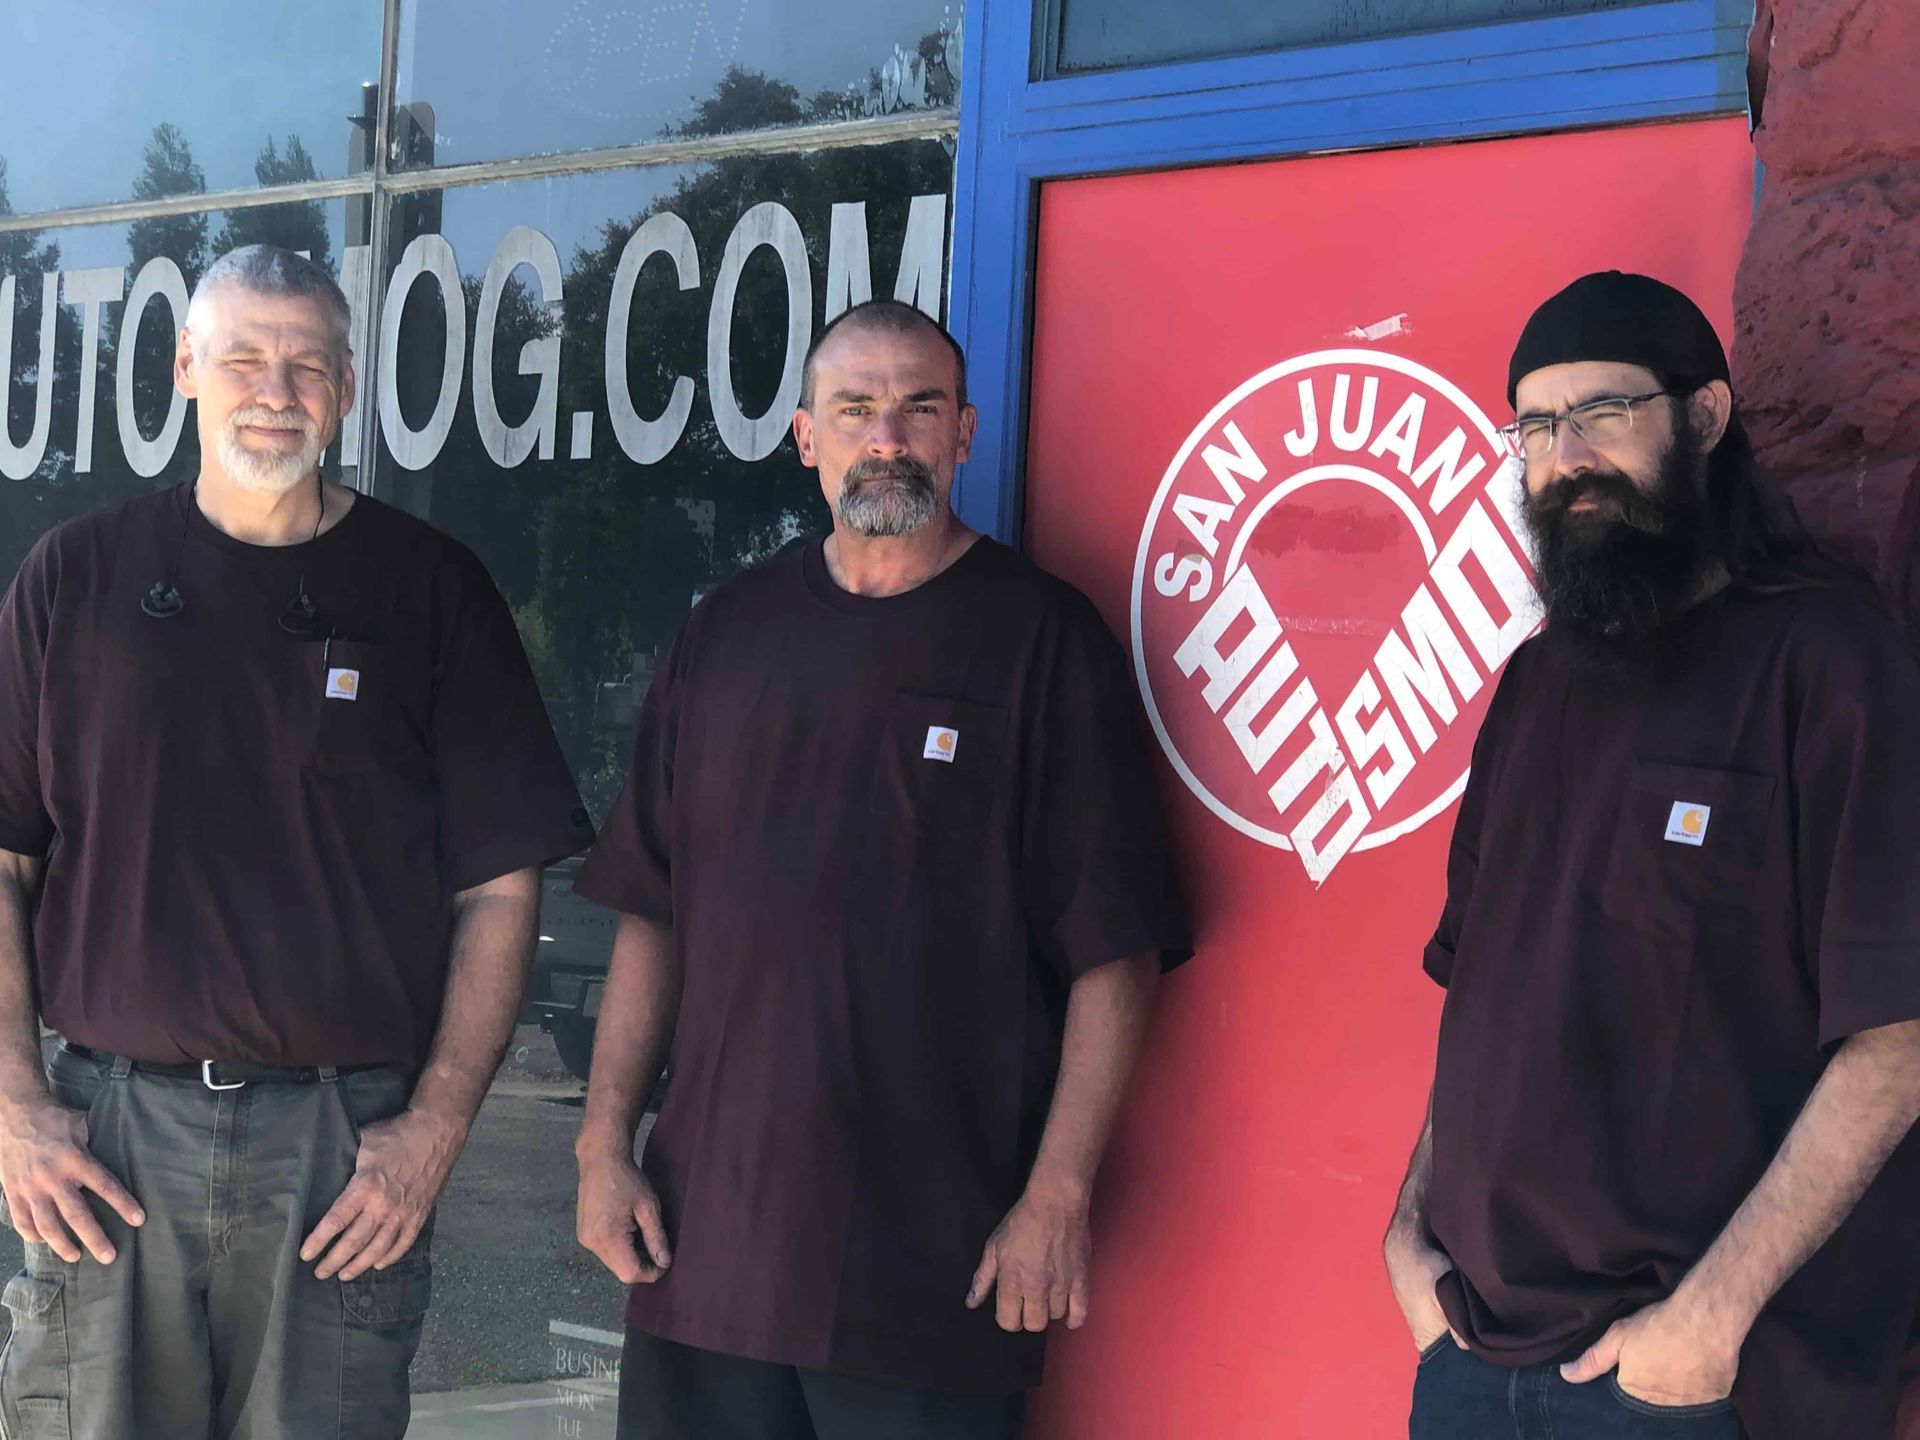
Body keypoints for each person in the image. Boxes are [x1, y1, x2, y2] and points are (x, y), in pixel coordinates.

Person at [571, 298, 1191, 1440]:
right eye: (855, 408)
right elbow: (651, 916)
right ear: (806, 436)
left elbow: (1119, 951)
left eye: (918, 408)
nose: (886, 437)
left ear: (964, 434)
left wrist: (1058, 1193)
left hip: (933, 1269)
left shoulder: (1044, 642)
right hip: (706, 1252)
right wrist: (604, 1142)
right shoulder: (723, 636)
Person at [0, 245, 592, 1438]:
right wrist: (13, 1098)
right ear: (184, 371)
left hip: (341, 1149)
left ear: (347, 386)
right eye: (245, 358)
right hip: (110, 1139)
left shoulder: (429, 590)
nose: (276, 388)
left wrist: (435, 1130)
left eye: (307, 363)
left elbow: (498, 886)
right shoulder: (75, 577)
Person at [1382, 270, 1920, 1440]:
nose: (1565, 455)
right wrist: (1407, 1230)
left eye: (1604, 414)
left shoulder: (1828, 662)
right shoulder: (1532, 683)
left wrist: (1709, 1322)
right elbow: (1480, 985)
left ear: (1707, 418)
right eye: (1535, 425)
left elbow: (1899, 1034)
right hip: (1473, 1353)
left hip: (1690, 1385)